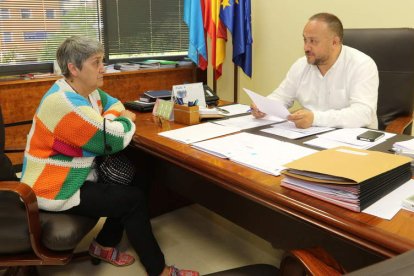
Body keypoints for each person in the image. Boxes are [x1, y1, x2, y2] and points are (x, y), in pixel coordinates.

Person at [20, 36, 199, 276]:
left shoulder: (87, 92)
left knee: (139, 177)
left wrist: (109, 119)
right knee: (133, 199)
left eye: (102, 61)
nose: (103, 67)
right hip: (54, 185)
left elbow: (114, 103)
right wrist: (122, 119)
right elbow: (112, 139)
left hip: (75, 172)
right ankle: (160, 270)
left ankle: (103, 245)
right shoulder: (64, 104)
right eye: (96, 62)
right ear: (74, 68)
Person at [252, 13, 379, 129]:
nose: (306, 47)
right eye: (305, 40)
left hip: (355, 140)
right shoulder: (301, 65)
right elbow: (281, 96)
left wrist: (315, 118)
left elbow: (362, 114)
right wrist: (264, 106)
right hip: (310, 135)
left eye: (313, 41)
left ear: (334, 42)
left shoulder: (362, 65)